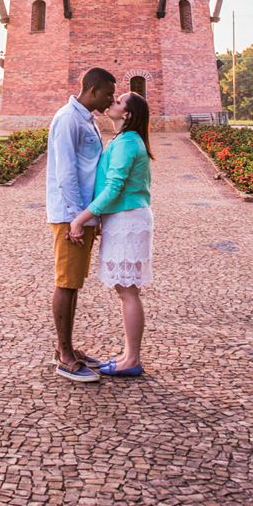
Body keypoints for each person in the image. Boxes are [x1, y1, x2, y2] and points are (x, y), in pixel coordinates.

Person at [68, 91, 153, 378]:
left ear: (127, 114)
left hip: (128, 218)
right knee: (125, 290)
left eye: (118, 102)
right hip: (123, 217)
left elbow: (114, 187)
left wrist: (82, 218)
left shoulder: (128, 142)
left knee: (128, 291)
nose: (112, 103)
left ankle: (132, 359)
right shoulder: (124, 140)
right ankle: (130, 355)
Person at [46, 67, 117, 382]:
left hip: (80, 215)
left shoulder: (85, 119)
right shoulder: (68, 119)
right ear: (93, 90)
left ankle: (69, 349)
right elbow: (66, 173)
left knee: (73, 282)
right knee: (66, 281)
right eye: (109, 93)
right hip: (69, 216)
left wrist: (90, 216)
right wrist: (78, 218)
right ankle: (64, 356)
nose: (111, 99)